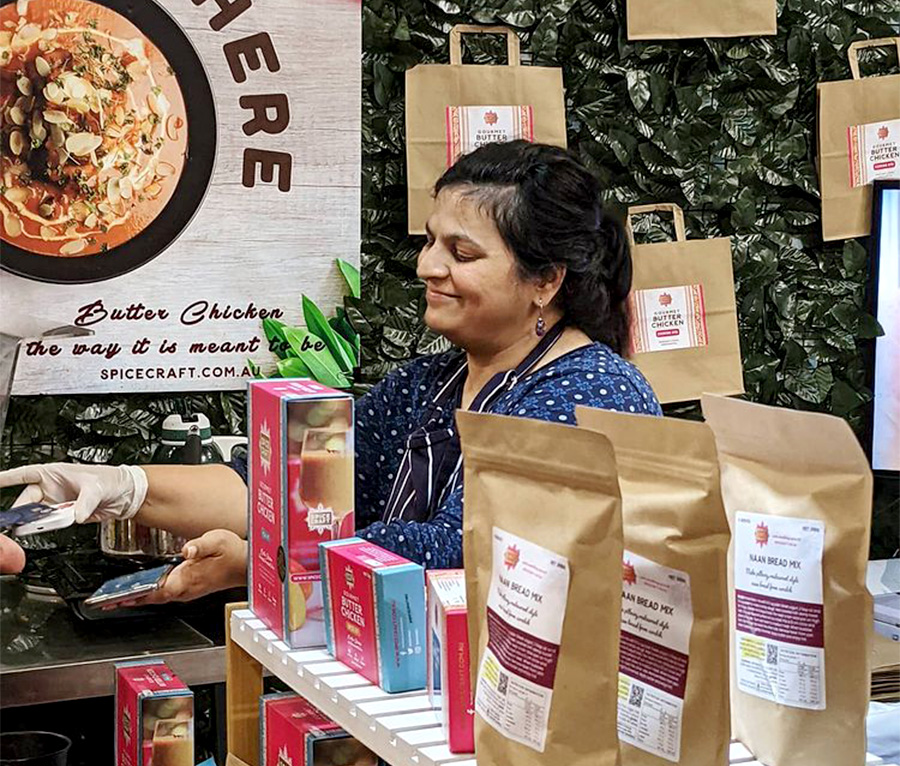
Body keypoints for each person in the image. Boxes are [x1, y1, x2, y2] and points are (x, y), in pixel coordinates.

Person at [0, 141, 661, 600]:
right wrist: (120, 487)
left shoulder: (591, 393)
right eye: (429, 242)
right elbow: (288, 492)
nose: (429, 266)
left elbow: (464, 552)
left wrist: (268, 567)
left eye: (461, 252)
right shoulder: (427, 385)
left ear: (545, 280)